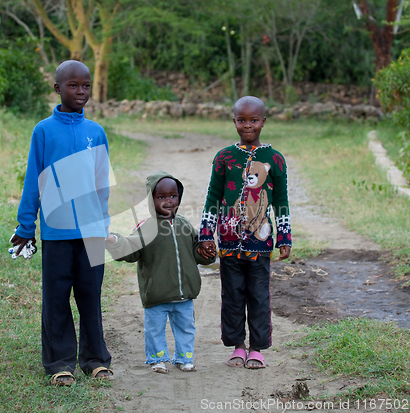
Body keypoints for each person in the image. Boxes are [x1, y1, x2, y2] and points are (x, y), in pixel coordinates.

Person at [10, 60, 113, 385]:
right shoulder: (43, 131)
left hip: (91, 232)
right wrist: (26, 228)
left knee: (90, 296)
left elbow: (102, 184)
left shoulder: (96, 132)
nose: (80, 91)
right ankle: (59, 363)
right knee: (56, 299)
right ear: (57, 88)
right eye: (73, 85)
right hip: (55, 233)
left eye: (85, 85)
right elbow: (32, 183)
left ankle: (95, 359)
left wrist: (104, 225)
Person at [198, 96, 292, 369]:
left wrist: (284, 237)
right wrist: (206, 234)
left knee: (259, 296)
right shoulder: (224, 157)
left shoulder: (274, 159)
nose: (247, 125)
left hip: (260, 246)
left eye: (253, 120)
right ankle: (238, 346)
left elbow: (281, 202)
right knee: (232, 295)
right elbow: (213, 197)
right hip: (227, 244)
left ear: (263, 121)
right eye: (242, 120)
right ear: (234, 121)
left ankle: (257, 348)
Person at [105, 171, 215, 374]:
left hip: (184, 294)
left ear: (178, 197)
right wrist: (114, 241)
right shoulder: (147, 228)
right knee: (154, 330)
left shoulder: (184, 225)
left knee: (186, 328)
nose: (168, 201)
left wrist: (207, 252)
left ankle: (184, 359)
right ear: (150, 200)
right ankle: (157, 360)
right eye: (161, 197)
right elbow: (131, 249)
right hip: (156, 294)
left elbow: (198, 254)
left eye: (172, 196)